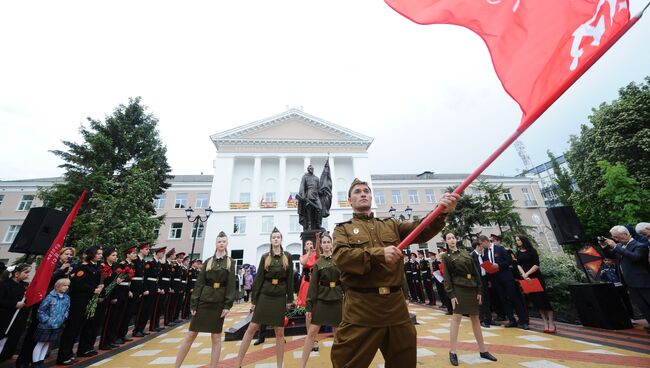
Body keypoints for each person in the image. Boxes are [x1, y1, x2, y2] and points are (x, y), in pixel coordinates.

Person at [330, 178, 459, 368]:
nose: (363, 193)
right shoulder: (343, 230)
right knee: (346, 362)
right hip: (361, 308)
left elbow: (420, 230)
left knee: (404, 361)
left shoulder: (391, 224)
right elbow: (341, 257)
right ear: (349, 201)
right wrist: (379, 254)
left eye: (366, 190)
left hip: (395, 307)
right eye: (357, 191)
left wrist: (440, 211)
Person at [235, 227, 294, 368]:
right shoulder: (265, 256)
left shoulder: (287, 256)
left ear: (281, 239)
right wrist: (254, 300)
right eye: (273, 237)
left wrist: (291, 299)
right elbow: (259, 279)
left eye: (278, 237)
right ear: (270, 240)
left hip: (279, 296)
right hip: (265, 295)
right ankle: (238, 363)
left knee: (279, 331)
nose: (276, 239)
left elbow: (290, 279)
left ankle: (280, 365)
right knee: (252, 327)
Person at [175, 232, 236, 368]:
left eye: (224, 241)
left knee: (216, 337)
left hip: (219, 303)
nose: (221, 243)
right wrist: (194, 303)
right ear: (216, 243)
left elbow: (231, 285)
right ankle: (176, 366)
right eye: (219, 241)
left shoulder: (230, 262)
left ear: (227, 244)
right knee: (191, 334)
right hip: (204, 300)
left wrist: (227, 305)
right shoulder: (208, 261)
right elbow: (199, 283)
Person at [442, 233, 497, 366]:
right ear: (445, 241)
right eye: (448, 238)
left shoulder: (465, 253)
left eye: (453, 237)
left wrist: (479, 290)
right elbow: (447, 277)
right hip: (459, 288)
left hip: (471, 287)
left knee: (475, 318)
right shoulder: (446, 257)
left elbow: (475, 271)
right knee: (457, 318)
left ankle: (483, 350)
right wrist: (451, 295)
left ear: (456, 239)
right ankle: (453, 351)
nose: (452, 240)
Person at [299, 232, 343, 368]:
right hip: (322, 300)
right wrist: (309, 306)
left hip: (336, 299)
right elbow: (313, 287)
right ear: (321, 246)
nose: (326, 244)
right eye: (324, 242)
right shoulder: (318, 263)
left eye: (328, 242)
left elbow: (344, 281)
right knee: (312, 332)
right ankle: (301, 365)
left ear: (332, 244)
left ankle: (340, 364)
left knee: (338, 335)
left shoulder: (339, 260)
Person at [57, 246, 104, 365]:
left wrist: (98, 288)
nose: (100, 255)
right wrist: (93, 289)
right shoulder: (83, 267)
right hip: (79, 301)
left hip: (88, 300)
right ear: (92, 254)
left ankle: (73, 353)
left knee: (80, 327)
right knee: (72, 328)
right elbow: (77, 284)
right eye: (98, 253)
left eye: (101, 254)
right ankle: (63, 356)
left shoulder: (95, 267)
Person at [601, 225, 650, 330]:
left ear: (626, 234)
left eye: (617, 237)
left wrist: (616, 246)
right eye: (614, 237)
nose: (616, 239)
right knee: (643, 307)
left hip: (643, 281)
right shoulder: (620, 247)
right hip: (629, 283)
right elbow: (610, 256)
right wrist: (604, 247)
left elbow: (635, 257)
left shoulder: (639, 245)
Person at [479, 235, 529, 330]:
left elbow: (509, 261)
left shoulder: (500, 249)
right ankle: (511, 320)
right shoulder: (485, 253)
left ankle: (523, 321)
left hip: (506, 278)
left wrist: (498, 265)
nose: (481, 246)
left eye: (481, 244)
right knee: (503, 300)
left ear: (485, 241)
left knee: (514, 298)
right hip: (495, 280)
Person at [515, 235, 556, 333]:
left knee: (544, 300)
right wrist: (524, 275)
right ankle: (545, 323)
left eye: (518, 240)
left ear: (523, 240)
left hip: (536, 277)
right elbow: (518, 265)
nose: (516, 242)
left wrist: (527, 273)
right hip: (527, 279)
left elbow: (536, 264)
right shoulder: (518, 252)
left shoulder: (532, 251)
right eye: (516, 240)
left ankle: (551, 323)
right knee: (537, 302)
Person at [32, 278, 71, 368]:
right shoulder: (50, 297)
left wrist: (63, 318)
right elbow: (41, 311)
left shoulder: (67, 298)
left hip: (57, 324)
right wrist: (47, 320)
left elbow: (67, 310)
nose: (66, 287)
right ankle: (35, 363)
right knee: (40, 343)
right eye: (64, 285)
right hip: (46, 325)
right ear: (57, 286)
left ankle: (41, 362)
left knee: (47, 343)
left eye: (67, 286)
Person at [0, 264, 32, 362]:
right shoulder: (5, 284)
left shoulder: (23, 286)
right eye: (26, 272)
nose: (28, 275)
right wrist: (14, 304)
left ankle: (5, 356)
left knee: (10, 339)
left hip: (17, 318)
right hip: (5, 317)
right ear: (17, 274)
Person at [470, 240, 493, 328]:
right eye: (481, 245)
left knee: (487, 299)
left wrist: (488, 280)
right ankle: (482, 319)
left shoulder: (482, 255)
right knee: (480, 300)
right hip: (477, 281)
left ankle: (489, 319)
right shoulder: (472, 256)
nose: (482, 246)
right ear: (477, 246)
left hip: (484, 279)